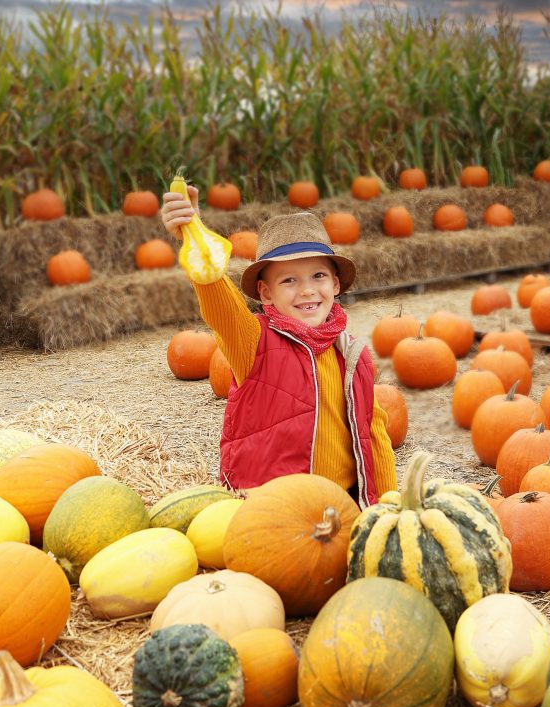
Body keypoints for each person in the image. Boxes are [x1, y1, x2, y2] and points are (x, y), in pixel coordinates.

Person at [160, 183, 397, 506]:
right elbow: (222, 307)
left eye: (318, 276)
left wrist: (389, 505)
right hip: (272, 510)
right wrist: (194, 236)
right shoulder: (253, 342)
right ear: (266, 293)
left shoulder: (353, 355)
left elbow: (375, 436)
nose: (307, 290)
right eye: (289, 280)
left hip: (340, 508)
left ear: (336, 284)